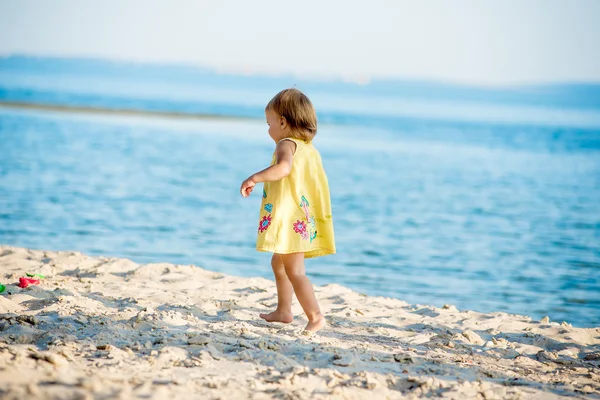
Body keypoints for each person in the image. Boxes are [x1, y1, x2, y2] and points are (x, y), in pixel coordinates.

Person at [240, 88, 336, 333]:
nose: (268, 129)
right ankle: (284, 311)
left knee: (295, 271)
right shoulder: (309, 149)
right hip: (302, 218)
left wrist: (255, 177)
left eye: (269, 123)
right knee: (279, 263)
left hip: (293, 221)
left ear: (283, 121)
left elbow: (283, 169)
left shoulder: (286, 144)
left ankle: (315, 316)